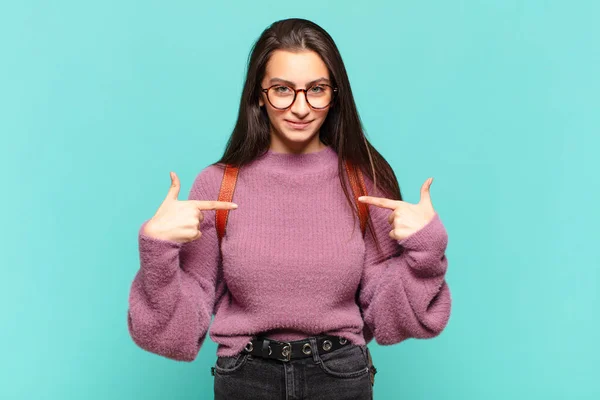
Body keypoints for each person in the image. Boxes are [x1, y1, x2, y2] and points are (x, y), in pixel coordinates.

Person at [127, 17, 451, 400]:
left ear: (335, 94)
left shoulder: (363, 183)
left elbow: (388, 314)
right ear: (259, 95)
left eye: (316, 89)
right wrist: (158, 251)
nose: (300, 108)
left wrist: (427, 252)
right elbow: (176, 331)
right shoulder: (217, 185)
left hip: (340, 377)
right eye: (283, 89)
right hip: (245, 378)